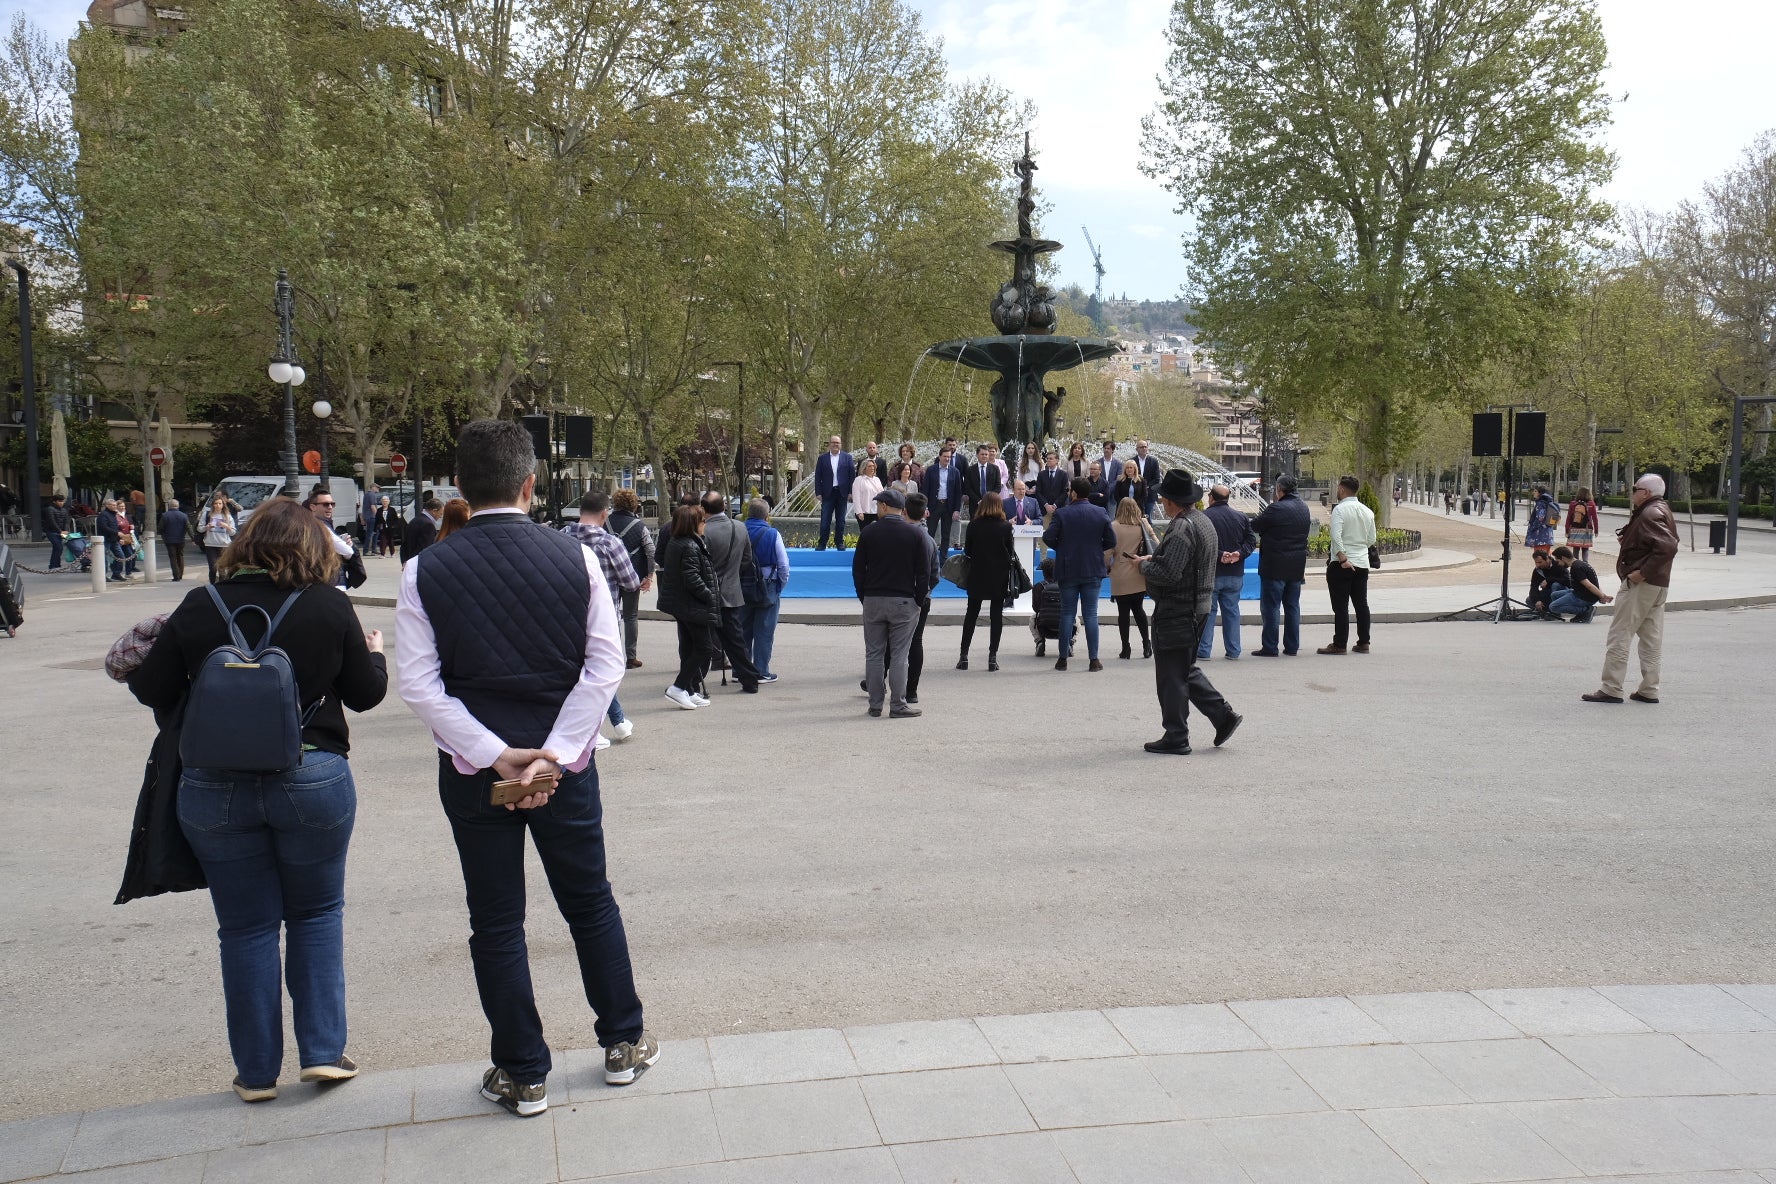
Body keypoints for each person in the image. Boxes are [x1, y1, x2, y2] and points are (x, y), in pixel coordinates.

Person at [395, 419, 654, 1117]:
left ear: (460, 486)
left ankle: (521, 1070)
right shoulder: (576, 559)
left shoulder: (426, 568)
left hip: (475, 769)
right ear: (530, 483)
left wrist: (492, 753)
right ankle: (623, 1042)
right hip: (564, 765)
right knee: (589, 901)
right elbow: (605, 662)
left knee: (497, 921)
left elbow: (418, 685)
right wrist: (558, 755)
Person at [128, 498, 388, 1101]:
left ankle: (255, 1073)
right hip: (312, 772)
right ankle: (323, 1052)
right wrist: (373, 651)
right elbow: (366, 693)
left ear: (243, 543)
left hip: (215, 786)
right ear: (315, 547)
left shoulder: (201, 605)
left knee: (243, 929)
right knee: (317, 913)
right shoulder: (328, 604)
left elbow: (151, 689)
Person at [1136, 471, 1240, 754]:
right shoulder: (1203, 521)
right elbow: (1181, 562)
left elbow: (1170, 573)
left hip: (1178, 608)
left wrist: (1144, 566)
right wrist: (1155, 557)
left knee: (1171, 675)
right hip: (1197, 606)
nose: (1160, 501)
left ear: (1171, 502)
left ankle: (1176, 735)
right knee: (1183, 668)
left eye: (1163, 498)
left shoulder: (1182, 527)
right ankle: (1223, 716)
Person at [1583, 473, 1679, 704]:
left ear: (1645, 492)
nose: (1632, 492)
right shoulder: (1660, 509)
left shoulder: (1650, 513)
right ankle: (1649, 689)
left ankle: (1612, 687)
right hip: (1657, 584)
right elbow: (1662, 543)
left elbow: (1667, 546)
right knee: (1651, 638)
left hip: (1642, 584)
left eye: (1635, 488)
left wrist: (1642, 572)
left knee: (1620, 634)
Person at [561, 491, 642, 746]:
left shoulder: (562, 537)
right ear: (605, 513)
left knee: (581, 672)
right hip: (602, 617)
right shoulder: (610, 543)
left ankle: (615, 721)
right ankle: (596, 729)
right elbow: (631, 582)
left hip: (566, 615)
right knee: (603, 671)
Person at [851, 488, 927, 716]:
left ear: (884, 506)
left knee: (874, 654)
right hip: (904, 601)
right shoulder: (915, 534)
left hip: (874, 599)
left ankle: (875, 705)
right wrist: (918, 599)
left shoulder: (869, 533)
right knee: (899, 655)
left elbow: (858, 570)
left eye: (877, 505)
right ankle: (897, 704)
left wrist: (864, 596)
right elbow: (923, 572)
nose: (876, 509)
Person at [1044, 478, 1117, 671]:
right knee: (1091, 614)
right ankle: (1094, 659)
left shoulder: (1062, 513)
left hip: (1068, 568)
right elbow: (1111, 540)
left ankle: (1062, 659)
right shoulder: (1100, 512)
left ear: (1074, 493)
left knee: (1067, 613)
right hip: (1092, 567)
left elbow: (1048, 537)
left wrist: (1064, 548)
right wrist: (1094, 549)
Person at [698, 492, 763, 693]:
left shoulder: (703, 531)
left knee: (701, 642)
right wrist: (732, 575)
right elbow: (747, 559)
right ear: (724, 506)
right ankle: (749, 679)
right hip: (731, 591)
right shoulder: (740, 527)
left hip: (706, 594)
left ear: (703, 508)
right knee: (736, 641)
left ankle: (692, 682)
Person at [656, 504, 720, 709]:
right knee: (704, 648)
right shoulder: (690, 545)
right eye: (702, 521)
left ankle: (689, 689)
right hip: (692, 605)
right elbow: (691, 577)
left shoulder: (680, 542)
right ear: (694, 524)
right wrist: (708, 594)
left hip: (683, 604)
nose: (705, 525)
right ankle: (678, 687)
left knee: (691, 647)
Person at [1249, 475, 1311, 656]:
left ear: (1279, 489)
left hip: (1275, 566)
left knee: (1271, 607)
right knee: (1292, 606)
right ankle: (1292, 647)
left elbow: (1255, 525)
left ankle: (1270, 646)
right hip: (1296, 566)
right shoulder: (1303, 508)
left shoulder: (1276, 508)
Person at [957, 491, 1014, 671]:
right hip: (999, 574)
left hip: (978, 573)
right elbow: (1010, 551)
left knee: (971, 614)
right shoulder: (1005, 527)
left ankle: (964, 656)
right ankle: (992, 657)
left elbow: (968, 551)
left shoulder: (974, 525)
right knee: (996, 615)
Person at [1197, 484, 1256, 660]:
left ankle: (1204, 650)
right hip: (1235, 572)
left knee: (1209, 612)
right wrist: (1239, 554)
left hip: (1212, 573)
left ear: (1211, 498)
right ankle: (1233, 650)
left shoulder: (1204, 517)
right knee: (1231, 612)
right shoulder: (1241, 516)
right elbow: (1251, 540)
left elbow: (1202, 545)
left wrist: (1221, 554)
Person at [1319, 475, 1377, 654]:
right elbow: (1371, 539)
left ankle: (1340, 644)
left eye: (1338, 488)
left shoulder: (1340, 510)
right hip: (1361, 562)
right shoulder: (1367, 511)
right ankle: (1364, 642)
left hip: (1342, 563)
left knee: (1341, 606)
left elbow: (1336, 536)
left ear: (1343, 490)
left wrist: (1343, 558)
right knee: (1361, 604)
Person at [739, 499, 790, 682]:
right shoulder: (772, 533)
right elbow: (783, 565)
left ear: (748, 514)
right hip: (767, 586)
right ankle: (761, 671)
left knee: (743, 630)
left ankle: (740, 671)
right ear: (767, 515)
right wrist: (779, 586)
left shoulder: (739, 530)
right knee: (764, 631)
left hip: (742, 585)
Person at [607, 489, 655, 669]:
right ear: (634, 504)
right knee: (630, 616)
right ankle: (631, 657)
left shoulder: (604, 522)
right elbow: (650, 551)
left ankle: (611, 656)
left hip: (607, 576)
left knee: (610, 616)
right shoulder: (639, 525)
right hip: (631, 576)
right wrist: (649, 575)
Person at [901, 492, 939, 703]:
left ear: (905, 511)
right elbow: (935, 575)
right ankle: (912, 691)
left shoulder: (900, 536)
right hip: (922, 598)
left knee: (893, 642)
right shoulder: (930, 540)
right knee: (916, 642)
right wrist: (923, 594)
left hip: (901, 595)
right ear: (925, 513)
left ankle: (878, 682)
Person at [1107, 497, 1152, 659]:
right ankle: (1147, 644)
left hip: (1120, 572)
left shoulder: (1114, 527)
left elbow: (1108, 552)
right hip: (1139, 570)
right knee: (1139, 609)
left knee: (1123, 612)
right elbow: (1155, 543)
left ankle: (1126, 648)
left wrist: (1106, 567)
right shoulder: (1143, 524)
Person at [305, 489, 368, 590]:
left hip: (325, 581)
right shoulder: (321, 526)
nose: (330, 507)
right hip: (331, 582)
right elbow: (347, 551)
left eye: (332, 504)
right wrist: (349, 546)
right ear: (313, 507)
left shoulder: (316, 524)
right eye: (325, 504)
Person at [813, 435, 856, 551]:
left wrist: (851, 492)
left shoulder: (847, 458)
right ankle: (822, 543)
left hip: (842, 493)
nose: (835, 444)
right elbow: (818, 476)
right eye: (833, 442)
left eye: (837, 443)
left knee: (841, 520)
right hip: (827, 493)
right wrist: (818, 492)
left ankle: (839, 543)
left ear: (840, 444)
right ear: (829, 444)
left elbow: (852, 476)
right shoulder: (822, 458)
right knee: (825, 519)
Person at [1549, 545, 1612, 623]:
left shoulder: (1576, 568)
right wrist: (1602, 594)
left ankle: (1585, 611)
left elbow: (1589, 585)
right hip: (1578, 592)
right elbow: (1594, 583)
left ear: (1563, 558)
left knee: (1553, 607)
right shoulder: (1580, 563)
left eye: (1557, 560)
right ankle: (1580, 613)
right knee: (1554, 595)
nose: (1558, 564)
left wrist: (1602, 597)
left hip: (1584, 597)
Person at [919, 445, 963, 553]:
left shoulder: (955, 471)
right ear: (939, 457)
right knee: (930, 533)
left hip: (948, 506)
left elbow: (958, 492)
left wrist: (957, 509)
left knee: (946, 535)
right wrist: (925, 507)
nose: (947, 459)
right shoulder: (931, 470)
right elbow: (925, 490)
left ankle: (943, 560)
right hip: (934, 505)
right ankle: (929, 556)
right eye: (945, 456)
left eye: (949, 457)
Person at [201, 492, 237, 584]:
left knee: (222, 569)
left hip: (224, 545)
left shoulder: (228, 516)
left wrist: (226, 526)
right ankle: (212, 586)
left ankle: (221, 588)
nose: (217, 505)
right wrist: (207, 527)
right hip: (210, 544)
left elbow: (233, 532)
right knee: (213, 568)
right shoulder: (207, 515)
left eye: (220, 503)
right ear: (212, 505)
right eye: (215, 503)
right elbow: (199, 529)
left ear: (223, 505)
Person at [963, 443, 1004, 517]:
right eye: (982, 454)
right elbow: (968, 488)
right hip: (975, 504)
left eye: (986, 454)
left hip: (991, 505)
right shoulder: (970, 470)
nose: (984, 456)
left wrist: (988, 500)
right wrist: (979, 501)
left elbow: (998, 487)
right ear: (977, 455)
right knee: (975, 527)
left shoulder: (995, 469)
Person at [1525, 550, 1568, 617]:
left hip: (1561, 592)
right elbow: (1533, 586)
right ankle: (1547, 610)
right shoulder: (1537, 570)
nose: (1538, 565)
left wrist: (1548, 580)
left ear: (1547, 559)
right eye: (1536, 562)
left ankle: (1554, 611)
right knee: (1529, 600)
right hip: (1547, 593)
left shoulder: (1558, 564)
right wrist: (1537, 600)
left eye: (1540, 562)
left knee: (1555, 585)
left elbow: (1567, 580)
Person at [401, 496, 441, 562]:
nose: (440, 516)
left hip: (410, 562)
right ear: (434, 511)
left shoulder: (414, 520)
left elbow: (404, 545)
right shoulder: (429, 525)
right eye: (440, 513)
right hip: (420, 564)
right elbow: (426, 549)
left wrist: (405, 562)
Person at [159, 497, 191, 581]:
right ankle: (180, 574)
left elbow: (160, 528)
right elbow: (188, 527)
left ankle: (176, 576)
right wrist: (193, 538)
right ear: (178, 506)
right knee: (180, 556)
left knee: (173, 557)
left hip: (169, 540)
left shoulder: (165, 515)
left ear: (169, 506)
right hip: (181, 539)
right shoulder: (184, 516)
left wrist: (163, 535)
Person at [1565, 487, 1598, 563]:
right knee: (1585, 549)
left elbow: (1569, 518)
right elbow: (1595, 519)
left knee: (1576, 549)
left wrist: (1567, 530)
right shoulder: (1591, 504)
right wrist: (1596, 530)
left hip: (1575, 528)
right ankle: (1585, 564)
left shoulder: (1573, 504)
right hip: (1587, 529)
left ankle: (1576, 565)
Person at [850, 459, 884, 532]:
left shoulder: (877, 479)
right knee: (865, 533)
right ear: (864, 468)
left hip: (877, 511)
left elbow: (882, 494)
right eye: (869, 466)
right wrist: (859, 512)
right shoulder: (859, 480)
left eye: (873, 466)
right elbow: (856, 497)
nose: (872, 468)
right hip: (865, 512)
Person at [1111, 461, 1148, 526]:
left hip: (1137, 508)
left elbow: (1144, 495)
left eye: (1131, 467)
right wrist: (1124, 504)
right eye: (1127, 468)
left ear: (1135, 469)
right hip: (1123, 509)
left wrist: (1134, 505)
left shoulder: (1141, 480)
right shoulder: (1120, 479)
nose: (1129, 469)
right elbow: (1116, 495)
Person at [1525, 485, 1558, 555]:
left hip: (1540, 535)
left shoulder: (1540, 504)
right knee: (1546, 556)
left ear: (1540, 493)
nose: (1534, 493)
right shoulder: (1548, 502)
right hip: (1548, 535)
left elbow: (1540, 518)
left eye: (1535, 491)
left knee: (1540, 557)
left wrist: (1532, 529)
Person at [1132, 441, 1162, 516]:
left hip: (1150, 495)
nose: (1144, 449)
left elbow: (1157, 479)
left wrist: (1146, 486)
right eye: (1141, 447)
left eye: (1145, 447)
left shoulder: (1154, 461)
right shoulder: (1132, 461)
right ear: (1137, 449)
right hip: (1135, 495)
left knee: (1149, 519)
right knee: (1136, 518)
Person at [1035, 451, 1070, 516]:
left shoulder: (1063, 474)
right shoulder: (1041, 474)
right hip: (1044, 510)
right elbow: (1038, 492)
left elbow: (1065, 492)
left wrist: (1055, 505)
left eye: (1050, 459)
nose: (1048, 460)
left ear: (1057, 460)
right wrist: (1046, 505)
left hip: (1059, 509)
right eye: (1047, 459)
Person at [42, 493, 70, 571]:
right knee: (58, 547)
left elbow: (67, 521)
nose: (61, 503)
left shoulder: (64, 510)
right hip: (52, 532)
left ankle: (55, 565)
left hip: (61, 532)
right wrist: (60, 531)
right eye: (59, 501)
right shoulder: (50, 509)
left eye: (62, 501)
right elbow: (52, 521)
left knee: (57, 548)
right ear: (54, 501)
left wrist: (65, 530)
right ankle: (54, 565)